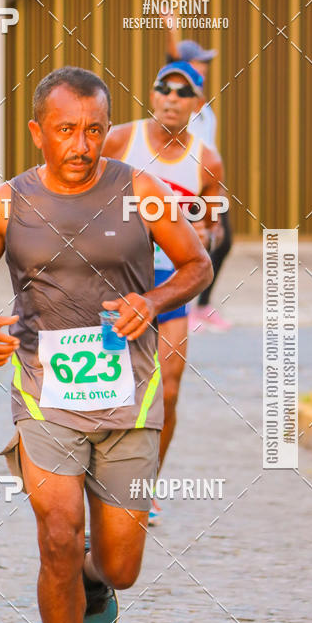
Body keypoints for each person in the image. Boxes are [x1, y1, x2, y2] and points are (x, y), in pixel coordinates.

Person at [0, 66, 212, 623]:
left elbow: (196, 264)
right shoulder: (5, 203)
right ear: (38, 132)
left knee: (120, 563)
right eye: (66, 129)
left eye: (94, 128)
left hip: (129, 396)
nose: (82, 143)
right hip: (45, 395)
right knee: (57, 533)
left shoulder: (139, 190)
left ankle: (100, 582)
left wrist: (150, 303)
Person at [103, 61, 226, 524]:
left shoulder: (206, 160)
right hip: (116, 281)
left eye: (183, 91)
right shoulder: (121, 140)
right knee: (111, 382)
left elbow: (212, 231)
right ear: (152, 96)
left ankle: (145, 485)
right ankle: (99, 478)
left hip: (170, 284)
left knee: (168, 391)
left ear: (196, 104)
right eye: (164, 88)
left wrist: (197, 229)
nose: (172, 97)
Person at [164, 26, 233, 332]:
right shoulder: (178, 99)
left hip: (209, 187)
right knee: (193, 247)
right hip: (189, 188)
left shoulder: (202, 103)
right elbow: (172, 62)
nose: (204, 65)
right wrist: (171, 31)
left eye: (205, 61)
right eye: (199, 61)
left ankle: (201, 306)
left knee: (223, 242)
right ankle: (186, 309)